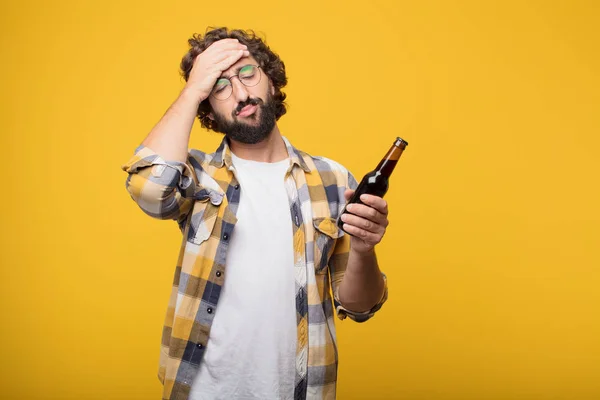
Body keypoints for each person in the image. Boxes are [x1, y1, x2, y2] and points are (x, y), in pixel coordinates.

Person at [122, 27, 391, 400]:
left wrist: (364, 249)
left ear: (271, 80)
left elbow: (360, 307)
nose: (242, 94)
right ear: (208, 109)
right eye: (219, 87)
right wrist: (192, 89)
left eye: (247, 74)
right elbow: (150, 189)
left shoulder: (332, 180)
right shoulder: (197, 176)